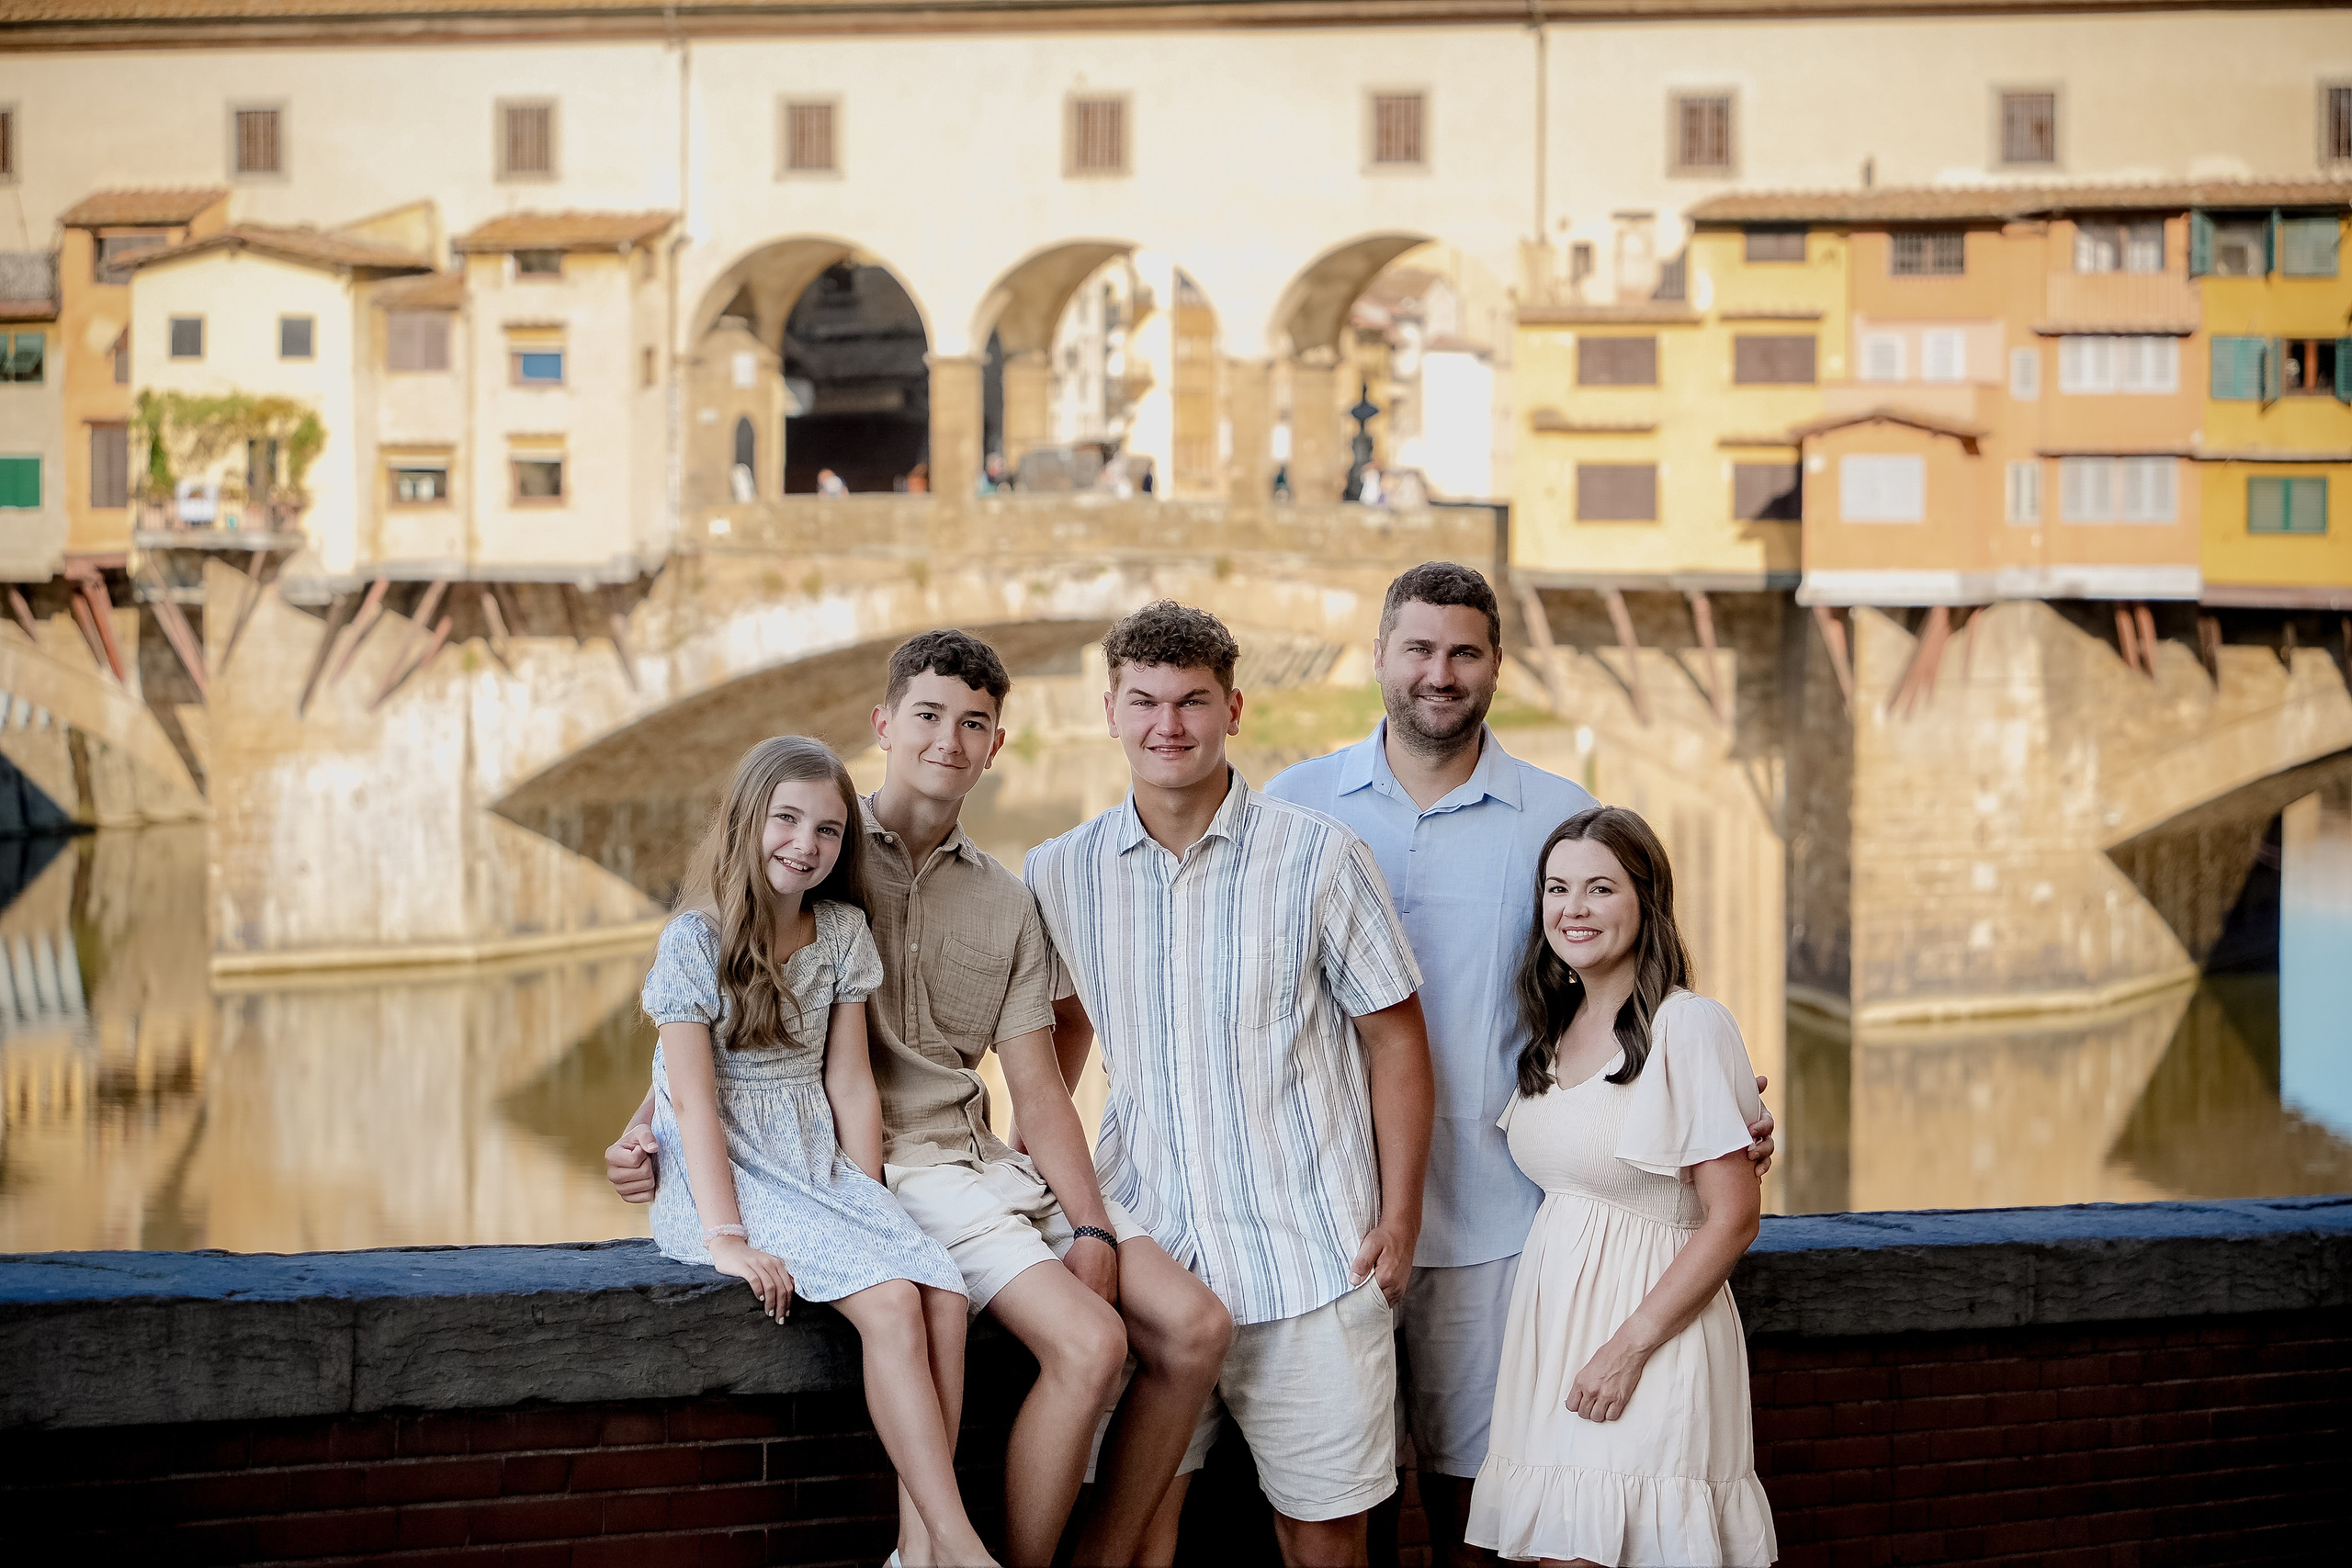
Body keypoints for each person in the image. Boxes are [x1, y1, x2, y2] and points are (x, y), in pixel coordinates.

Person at [611, 632, 1230, 1568]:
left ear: (996, 746)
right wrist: (643, 1120)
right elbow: (721, 996)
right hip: (885, 1168)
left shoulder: (1008, 901)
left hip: (984, 1161)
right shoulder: (819, 847)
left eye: (972, 724)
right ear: (884, 725)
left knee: (1194, 1327)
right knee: (1091, 1347)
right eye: (928, 718)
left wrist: (1092, 1228)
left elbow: (1036, 1085)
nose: (947, 741)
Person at [1267, 563, 1776, 1567]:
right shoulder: (1295, 806)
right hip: (1319, 1219)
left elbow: (1628, 984)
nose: (1438, 673)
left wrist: (1719, 1108)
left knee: (1493, 1510)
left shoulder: (1558, 813)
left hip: (1506, 1231)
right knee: (1335, 1504)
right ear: (1377, 657)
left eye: (1463, 651)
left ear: (1496, 663)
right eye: (1417, 648)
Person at [1025, 601, 1435, 1568]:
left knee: (1324, 1541)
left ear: (1233, 709)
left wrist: (1401, 1219)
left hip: (1312, 1257)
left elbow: (1397, 1043)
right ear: (1111, 712)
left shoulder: (1319, 858)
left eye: (1192, 702)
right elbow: (1063, 1030)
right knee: (1142, 1537)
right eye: (1145, 702)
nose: (1168, 725)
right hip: (1148, 1255)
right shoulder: (1060, 871)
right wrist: (1035, 1181)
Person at [635, 735, 994, 1568]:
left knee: (941, 1287)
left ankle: (918, 1552)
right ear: (745, 822)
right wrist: (726, 1237)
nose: (806, 842)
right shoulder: (695, 939)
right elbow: (689, 1097)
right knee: (896, 1304)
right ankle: (961, 1546)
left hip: (818, 1163)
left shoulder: (840, 932)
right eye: (786, 819)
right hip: (730, 1170)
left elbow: (852, 1085)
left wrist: (869, 1202)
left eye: (828, 829)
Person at [1464, 807, 1777, 1567]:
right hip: (1556, 1340)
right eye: (1557, 887)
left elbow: (1732, 1217)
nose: (1573, 909)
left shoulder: (1688, 1025)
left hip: (1651, 1334)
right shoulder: (1551, 1028)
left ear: (1646, 900)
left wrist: (1629, 1346)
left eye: (1600, 888)